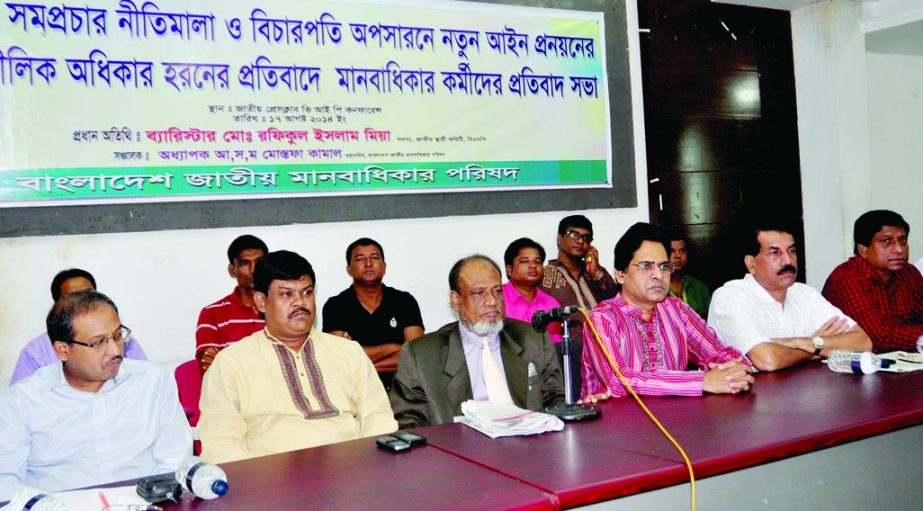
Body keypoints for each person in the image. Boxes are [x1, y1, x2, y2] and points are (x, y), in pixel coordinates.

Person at [198, 250, 397, 463]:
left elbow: (379, 418)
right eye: (286, 294)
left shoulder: (348, 351)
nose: (300, 302)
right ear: (261, 302)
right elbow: (220, 444)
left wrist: (371, 466)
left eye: (307, 292)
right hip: (273, 481)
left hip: (352, 470)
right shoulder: (231, 363)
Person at [0, 291, 192, 501]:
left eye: (118, 336)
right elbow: (5, 480)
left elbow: (176, 460)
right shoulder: (22, 401)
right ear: (63, 350)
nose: (115, 350)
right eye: (98, 342)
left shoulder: (152, 381)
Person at [581, 223, 753, 399]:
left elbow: (720, 354)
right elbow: (619, 381)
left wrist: (738, 369)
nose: (658, 275)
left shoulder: (676, 309)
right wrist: (701, 381)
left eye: (664, 267)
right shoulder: (602, 318)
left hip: (675, 421)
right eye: (646, 266)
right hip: (617, 423)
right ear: (620, 274)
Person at [390, 255, 564, 429]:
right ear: (456, 300)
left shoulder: (532, 338)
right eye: (479, 293)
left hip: (528, 446)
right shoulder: (421, 355)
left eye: (497, 291)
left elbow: (556, 402)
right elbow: (409, 425)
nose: (491, 301)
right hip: (460, 450)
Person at [709, 222, 871, 372]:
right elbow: (768, 360)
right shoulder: (730, 296)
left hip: (800, 392)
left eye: (791, 251)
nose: (788, 260)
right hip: (744, 398)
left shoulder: (805, 293)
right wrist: (817, 346)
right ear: (751, 263)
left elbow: (862, 343)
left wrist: (808, 343)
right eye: (774, 253)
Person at [10, 268, 147, 385]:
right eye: (73, 297)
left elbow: (145, 380)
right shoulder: (35, 352)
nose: (84, 302)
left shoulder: (121, 338)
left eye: (89, 294)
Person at [322, 238, 424, 390]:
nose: (368, 264)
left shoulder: (404, 301)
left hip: (402, 390)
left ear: (384, 266)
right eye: (360, 259)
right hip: (354, 391)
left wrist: (357, 362)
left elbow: (417, 356)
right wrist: (394, 348)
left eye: (374, 258)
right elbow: (339, 359)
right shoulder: (336, 305)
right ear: (349, 269)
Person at [539, 215, 617, 399]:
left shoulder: (595, 272)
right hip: (572, 355)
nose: (581, 241)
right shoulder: (545, 275)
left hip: (608, 351)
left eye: (587, 238)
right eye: (574, 234)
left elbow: (617, 301)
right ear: (559, 238)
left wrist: (597, 273)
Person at [822, 210, 923, 352]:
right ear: (863, 249)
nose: (899, 249)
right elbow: (879, 337)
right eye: (886, 242)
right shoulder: (847, 277)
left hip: (899, 363)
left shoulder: (909, 274)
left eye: (902, 241)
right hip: (849, 367)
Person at [195, 234, 268, 374]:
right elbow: (210, 371)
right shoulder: (212, 314)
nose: (253, 270)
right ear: (232, 270)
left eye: (259, 262)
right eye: (244, 263)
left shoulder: (281, 308)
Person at [502, 238, 562, 343]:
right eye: (525, 261)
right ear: (509, 269)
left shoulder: (551, 304)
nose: (533, 266)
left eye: (537, 261)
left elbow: (555, 347)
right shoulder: (496, 298)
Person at [667, 231, 712, 319]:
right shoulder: (656, 288)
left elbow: (711, 322)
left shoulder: (699, 287)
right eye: (672, 251)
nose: (678, 256)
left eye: (682, 251)